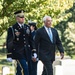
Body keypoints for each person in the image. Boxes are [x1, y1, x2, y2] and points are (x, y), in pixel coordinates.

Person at [6, 10, 36, 75]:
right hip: (18, 52)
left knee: (20, 70)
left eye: (23, 17)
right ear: (17, 18)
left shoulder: (27, 27)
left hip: (26, 52)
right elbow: (10, 42)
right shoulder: (12, 28)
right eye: (21, 17)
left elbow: (30, 40)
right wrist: (9, 54)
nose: (23, 19)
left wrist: (34, 51)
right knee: (24, 68)